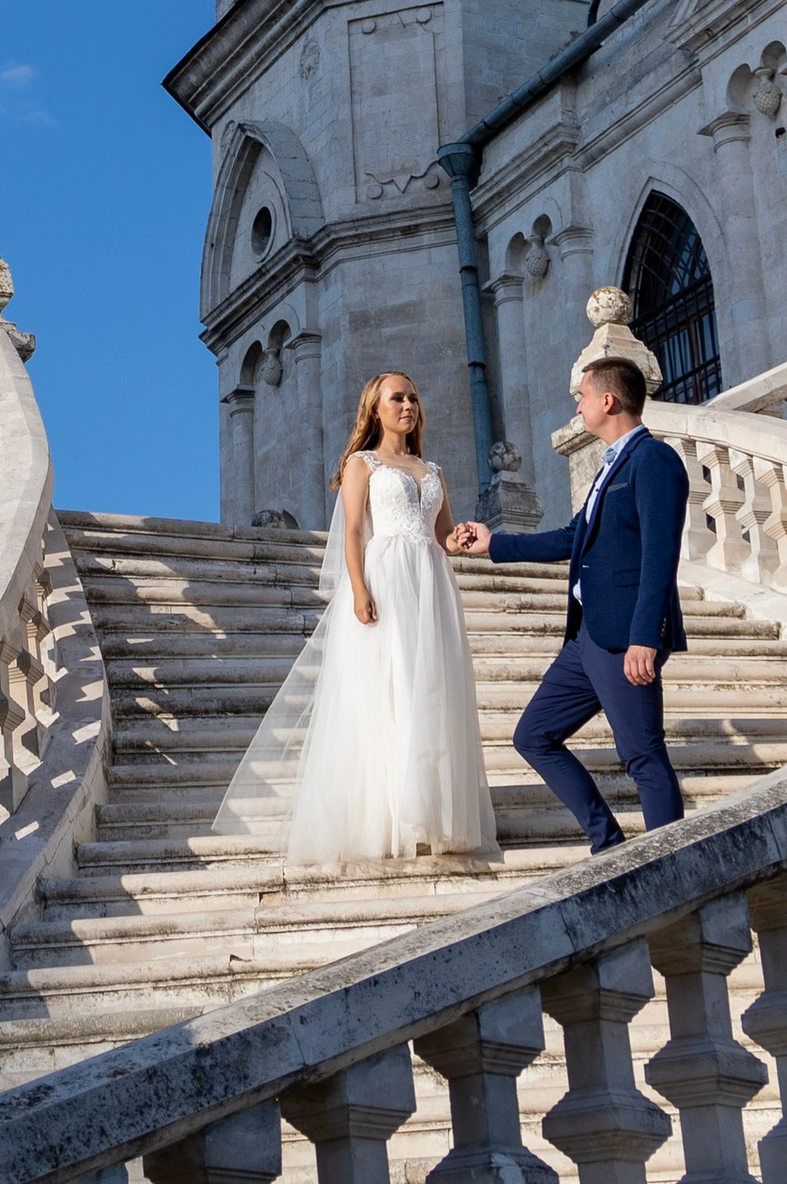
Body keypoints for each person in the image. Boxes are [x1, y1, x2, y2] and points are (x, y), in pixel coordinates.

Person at [212, 369, 498, 870]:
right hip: (385, 576)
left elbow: (444, 535)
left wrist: (466, 538)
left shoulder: (431, 470)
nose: (407, 404)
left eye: (413, 396)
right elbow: (349, 534)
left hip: (430, 583)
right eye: (397, 397)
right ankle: (389, 817)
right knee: (392, 688)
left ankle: (430, 812)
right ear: (375, 408)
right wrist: (360, 588)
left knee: (430, 690)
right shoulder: (360, 464)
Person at [449, 356, 688, 851]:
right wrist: (494, 544)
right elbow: (571, 537)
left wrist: (646, 636)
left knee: (642, 752)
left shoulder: (653, 460)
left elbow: (660, 555)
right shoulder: (612, 465)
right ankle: (609, 843)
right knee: (533, 736)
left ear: (607, 400)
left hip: (623, 637)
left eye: (581, 396)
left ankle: (675, 861)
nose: (577, 407)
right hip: (585, 639)